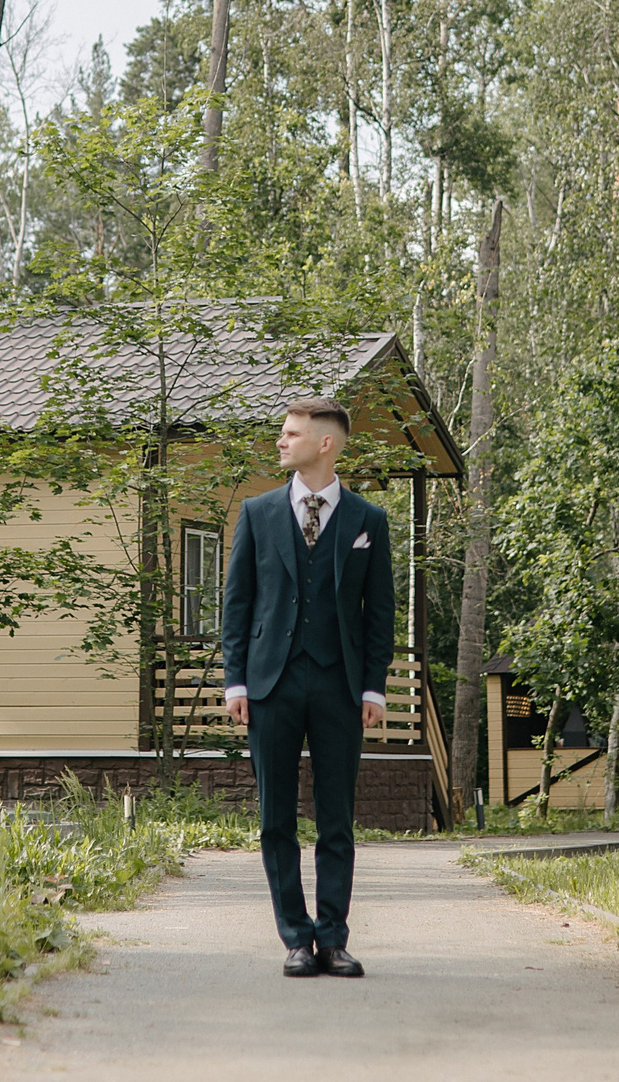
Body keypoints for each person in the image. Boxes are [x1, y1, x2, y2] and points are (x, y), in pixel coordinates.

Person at [221, 396, 395, 979]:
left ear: (325, 443)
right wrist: (235, 680)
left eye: (291, 433)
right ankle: (295, 938)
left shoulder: (368, 520)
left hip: (339, 684)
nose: (280, 441)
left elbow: (380, 615)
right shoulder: (258, 512)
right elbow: (237, 603)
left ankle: (333, 938)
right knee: (276, 817)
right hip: (270, 682)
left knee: (336, 817)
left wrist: (374, 688)